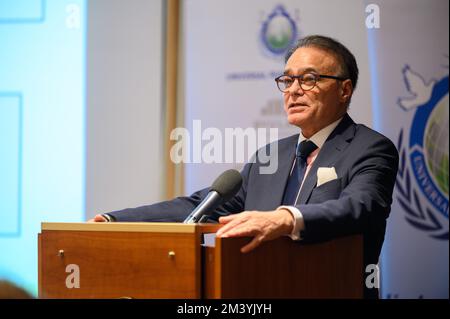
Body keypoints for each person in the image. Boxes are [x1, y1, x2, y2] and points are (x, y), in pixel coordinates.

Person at [89, 35, 399, 298]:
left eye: (309, 79)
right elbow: (203, 205)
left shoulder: (370, 148)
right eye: (288, 80)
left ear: (344, 90)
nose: (293, 90)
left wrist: (285, 219)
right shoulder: (272, 155)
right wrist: (114, 220)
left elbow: (360, 207)